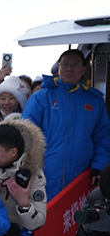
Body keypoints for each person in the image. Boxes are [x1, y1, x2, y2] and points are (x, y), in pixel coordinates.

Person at [22, 48, 110, 198]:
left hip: (81, 178)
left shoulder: (95, 101)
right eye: (65, 64)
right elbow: (26, 136)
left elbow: (102, 138)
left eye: (75, 64)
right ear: (58, 68)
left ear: (83, 69)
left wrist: (98, 168)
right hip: (44, 176)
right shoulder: (40, 98)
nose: (70, 68)